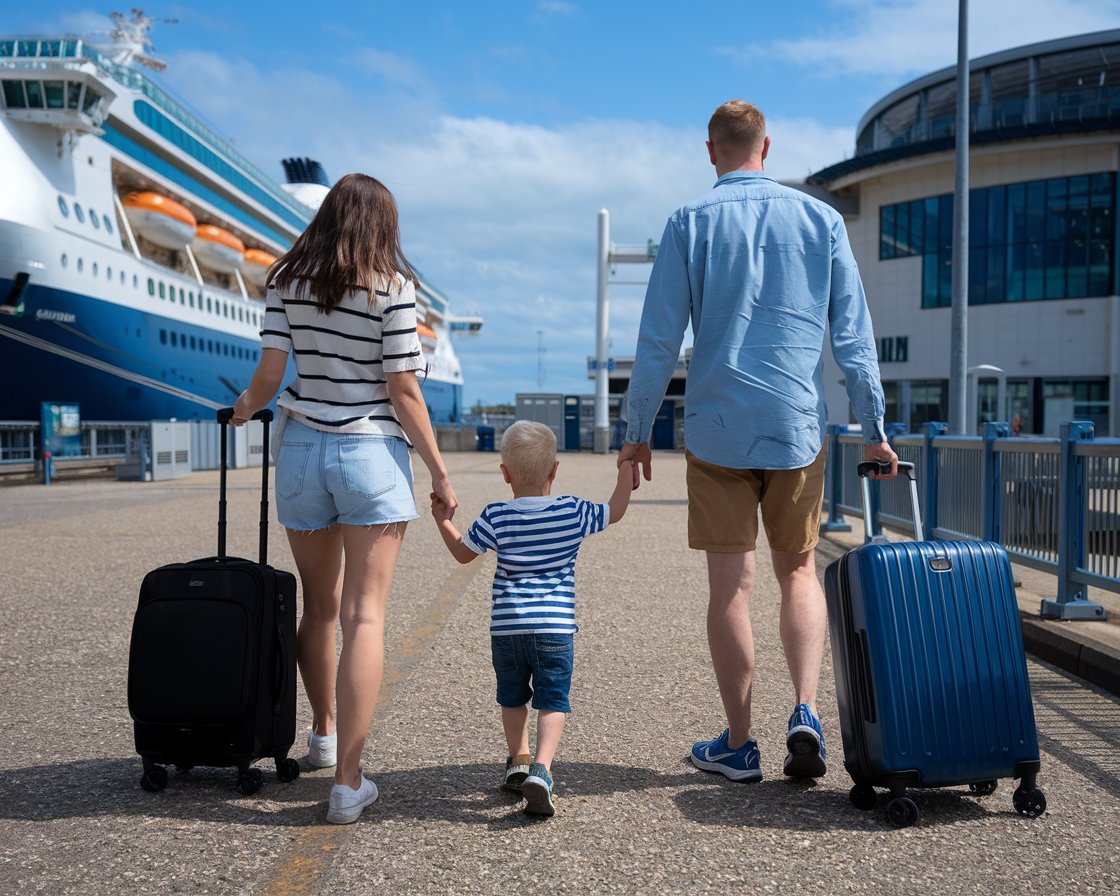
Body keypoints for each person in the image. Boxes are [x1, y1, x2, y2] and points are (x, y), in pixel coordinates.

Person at [619, 100, 898, 784]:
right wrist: (876, 432)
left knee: (730, 590)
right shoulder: (821, 220)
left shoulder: (688, 223)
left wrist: (634, 435)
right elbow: (854, 340)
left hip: (717, 431)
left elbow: (658, 344)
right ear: (766, 147)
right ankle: (805, 710)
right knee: (797, 572)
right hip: (797, 429)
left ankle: (740, 744)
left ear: (710, 150)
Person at [231, 173, 457, 824]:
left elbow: (269, 379)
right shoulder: (391, 287)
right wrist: (440, 472)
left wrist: (244, 410)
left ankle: (324, 734)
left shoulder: (284, 282)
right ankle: (348, 783)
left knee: (320, 609)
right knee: (365, 616)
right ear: (382, 224)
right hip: (370, 455)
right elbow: (404, 390)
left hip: (301, 450)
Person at [430, 421, 634, 817]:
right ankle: (542, 768)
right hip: (555, 628)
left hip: (507, 627)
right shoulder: (573, 511)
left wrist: (443, 519)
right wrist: (625, 468)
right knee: (553, 699)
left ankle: (518, 760)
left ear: (505, 473)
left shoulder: (497, 515)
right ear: (554, 470)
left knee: (512, 696)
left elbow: (462, 553)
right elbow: (616, 510)